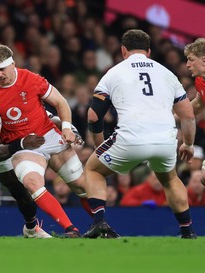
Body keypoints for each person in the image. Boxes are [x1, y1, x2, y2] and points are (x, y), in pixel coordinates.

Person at [83, 29, 196, 239]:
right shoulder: (167, 73)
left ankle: (99, 223)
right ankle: (188, 232)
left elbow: (93, 116)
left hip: (130, 138)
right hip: (165, 139)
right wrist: (188, 144)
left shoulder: (113, 72)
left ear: (123, 50)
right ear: (149, 51)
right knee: (170, 178)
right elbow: (188, 115)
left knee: (93, 169)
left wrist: (99, 144)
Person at [0, 43, 89, 238]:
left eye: (2, 69)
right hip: (22, 147)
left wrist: (66, 128)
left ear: (13, 65)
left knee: (81, 185)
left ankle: (102, 224)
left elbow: (60, 102)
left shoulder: (31, 79)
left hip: (48, 136)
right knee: (33, 183)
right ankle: (70, 229)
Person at [183, 37, 205, 186]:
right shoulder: (200, 81)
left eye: (191, 59)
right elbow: (198, 104)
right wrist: (171, 117)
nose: (187, 64)